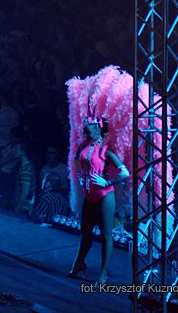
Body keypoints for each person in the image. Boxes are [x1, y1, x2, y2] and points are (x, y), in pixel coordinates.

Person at [69, 116, 129, 285]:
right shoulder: (83, 146)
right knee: (85, 232)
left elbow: (124, 173)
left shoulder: (105, 150)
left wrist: (107, 182)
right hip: (89, 195)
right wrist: (81, 178)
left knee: (106, 234)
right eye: (85, 129)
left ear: (98, 129)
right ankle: (79, 264)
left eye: (89, 129)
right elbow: (76, 161)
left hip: (104, 195)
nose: (86, 132)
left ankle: (103, 273)